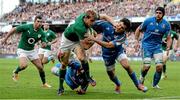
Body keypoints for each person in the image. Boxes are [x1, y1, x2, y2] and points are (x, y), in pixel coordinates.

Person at [57, 9, 115, 95]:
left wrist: (115, 24)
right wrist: (94, 40)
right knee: (64, 64)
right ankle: (60, 87)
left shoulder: (91, 15)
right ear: (85, 18)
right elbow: (85, 46)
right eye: (91, 21)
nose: (93, 23)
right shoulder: (80, 27)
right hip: (67, 40)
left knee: (82, 58)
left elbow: (105, 16)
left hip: (76, 38)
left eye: (94, 21)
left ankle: (88, 78)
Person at [88, 18, 148, 94]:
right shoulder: (107, 25)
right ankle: (118, 84)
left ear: (124, 30)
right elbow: (100, 18)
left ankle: (138, 85)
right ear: (118, 22)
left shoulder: (122, 37)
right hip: (107, 55)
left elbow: (109, 45)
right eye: (119, 24)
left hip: (118, 52)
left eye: (122, 28)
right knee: (111, 74)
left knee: (126, 66)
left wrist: (94, 39)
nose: (119, 27)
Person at [1, 15, 51, 88]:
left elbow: (43, 43)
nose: (40, 23)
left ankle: (44, 83)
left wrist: (43, 44)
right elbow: (14, 29)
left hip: (32, 51)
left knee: (40, 67)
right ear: (34, 22)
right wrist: (5, 39)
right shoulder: (27, 27)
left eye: (41, 22)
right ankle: (16, 71)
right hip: (22, 49)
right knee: (24, 65)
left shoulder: (42, 32)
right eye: (38, 21)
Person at [135, 7, 172, 89]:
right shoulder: (148, 21)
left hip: (157, 47)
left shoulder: (166, 24)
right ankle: (142, 77)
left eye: (160, 13)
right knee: (146, 67)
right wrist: (136, 40)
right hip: (146, 46)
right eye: (157, 12)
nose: (158, 14)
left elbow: (169, 38)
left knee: (159, 67)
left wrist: (168, 47)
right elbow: (138, 29)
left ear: (163, 14)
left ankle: (155, 85)